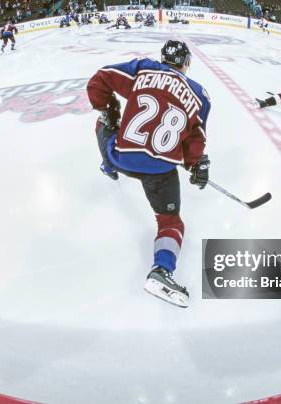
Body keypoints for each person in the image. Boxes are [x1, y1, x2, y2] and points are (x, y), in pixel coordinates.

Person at [86, 41, 212, 308]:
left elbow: (99, 80)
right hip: (161, 171)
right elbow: (195, 139)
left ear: (163, 58)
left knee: (103, 123)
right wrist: (195, 164)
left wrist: (107, 108)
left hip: (122, 156)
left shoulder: (143, 70)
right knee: (170, 223)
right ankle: (161, 271)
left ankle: (108, 166)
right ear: (186, 63)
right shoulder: (200, 96)